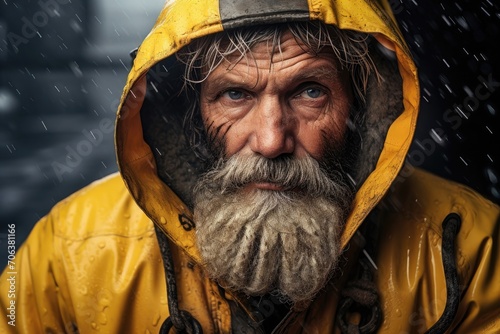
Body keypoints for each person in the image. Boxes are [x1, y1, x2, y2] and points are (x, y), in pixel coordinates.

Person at [1, 0, 499, 333]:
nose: (270, 140)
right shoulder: (69, 255)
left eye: (309, 92)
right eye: (235, 94)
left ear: (363, 106)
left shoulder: (469, 252)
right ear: (192, 113)